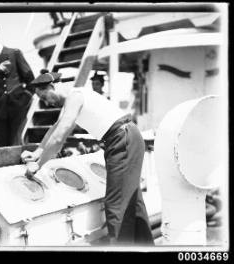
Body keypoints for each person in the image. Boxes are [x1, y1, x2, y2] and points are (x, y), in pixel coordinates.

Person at [21, 70, 154, 245]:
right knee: (132, 201)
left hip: (121, 139)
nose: (46, 102)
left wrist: (38, 165)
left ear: (52, 86)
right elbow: (56, 128)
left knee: (116, 205)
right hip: (126, 137)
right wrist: (38, 151)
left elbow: (60, 136)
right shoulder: (75, 98)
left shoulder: (75, 97)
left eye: (44, 95)